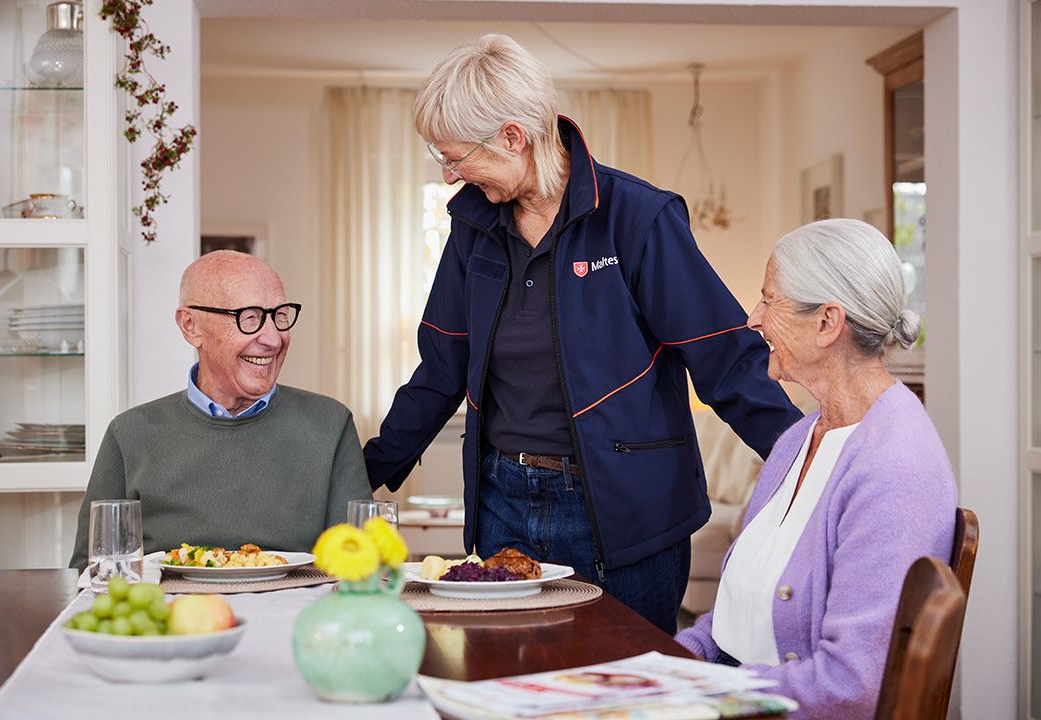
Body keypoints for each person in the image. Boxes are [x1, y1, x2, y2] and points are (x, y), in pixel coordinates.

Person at [363, 34, 800, 633]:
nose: (448, 177)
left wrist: (808, 463)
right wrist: (361, 474)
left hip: (624, 512)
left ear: (513, 137)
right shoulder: (473, 227)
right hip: (502, 503)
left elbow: (725, 359)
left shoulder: (638, 218)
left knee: (625, 683)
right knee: (504, 682)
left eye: (457, 158)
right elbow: (441, 368)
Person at [675, 219, 957, 718]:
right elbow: (736, 619)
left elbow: (851, 684)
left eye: (770, 301)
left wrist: (709, 690)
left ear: (827, 322)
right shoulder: (800, 438)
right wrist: (672, 665)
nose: (753, 320)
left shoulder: (893, 466)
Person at [70, 251, 371, 569]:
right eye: (249, 317)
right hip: (172, 616)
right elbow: (93, 571)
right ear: (190, 326)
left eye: (280, 315)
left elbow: (362, 568)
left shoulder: (330, 424)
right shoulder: (129, 434)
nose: (272, 338)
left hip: (296, 615)